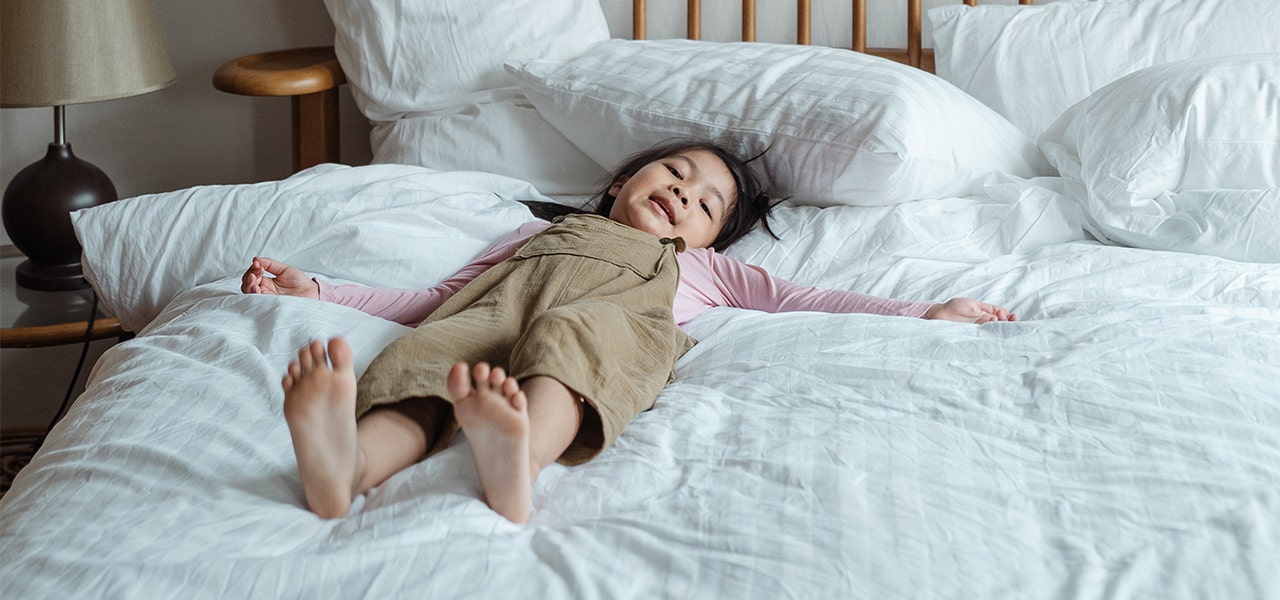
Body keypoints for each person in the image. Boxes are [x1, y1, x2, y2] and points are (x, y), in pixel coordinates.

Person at [242, 139, 1016, 523]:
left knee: (582, 339)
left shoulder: (702, 272)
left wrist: (923, 312)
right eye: (675, 174)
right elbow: (434, 297)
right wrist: (319, 287)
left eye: (707, 204)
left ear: (711, 241)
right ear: (621, 182)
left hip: (607, 320)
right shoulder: (528, 234)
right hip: (493, 313)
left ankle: (519, 458)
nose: (684, 195)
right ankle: (346, 466)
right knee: (428, 356)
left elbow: (804, 297)